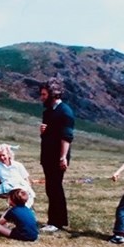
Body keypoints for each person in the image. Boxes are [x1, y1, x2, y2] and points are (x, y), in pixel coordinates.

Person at [39, 76, 74, 231]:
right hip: (47, 155)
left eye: (44, 95)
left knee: (55, 187)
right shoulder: (48, 112)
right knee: (51, 187)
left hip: (57, 157)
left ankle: (56, 222)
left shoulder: (65, 112)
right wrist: (43, 132)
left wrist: (63, 157)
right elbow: (50, 134)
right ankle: (55, 220)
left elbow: (66, 137)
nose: (41, 98)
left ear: (53, 95)